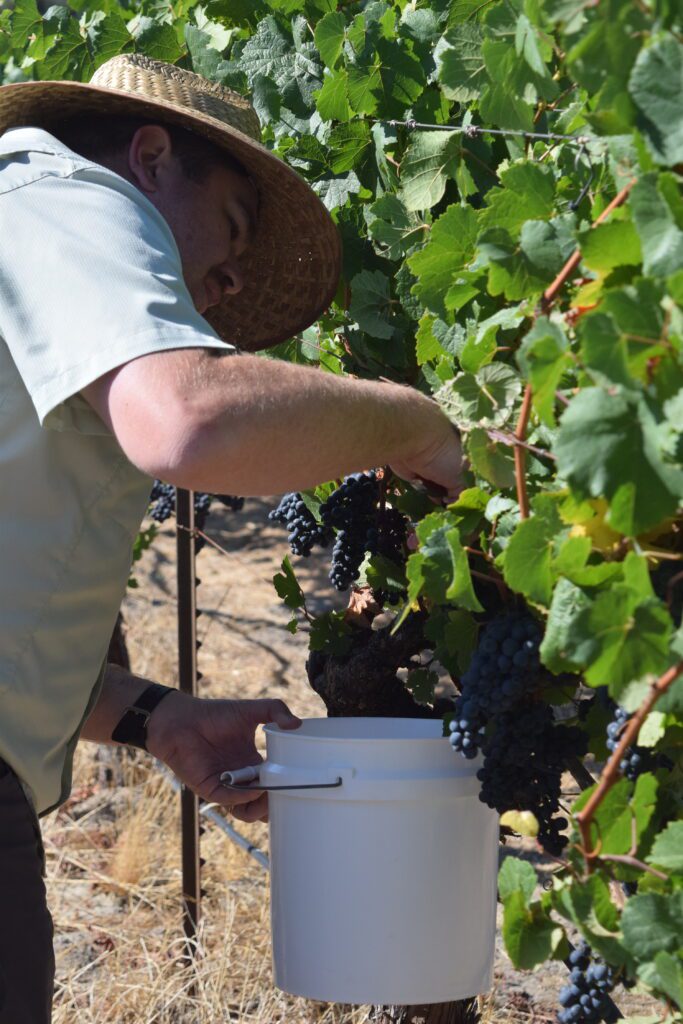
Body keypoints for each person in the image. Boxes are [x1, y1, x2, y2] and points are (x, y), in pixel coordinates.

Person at [0, 53, 463, 1023]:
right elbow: (186, 420)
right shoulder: (65, 193)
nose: (228, 282)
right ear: (152, 157)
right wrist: (415, 424)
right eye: (234, 231)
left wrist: (157, 718)